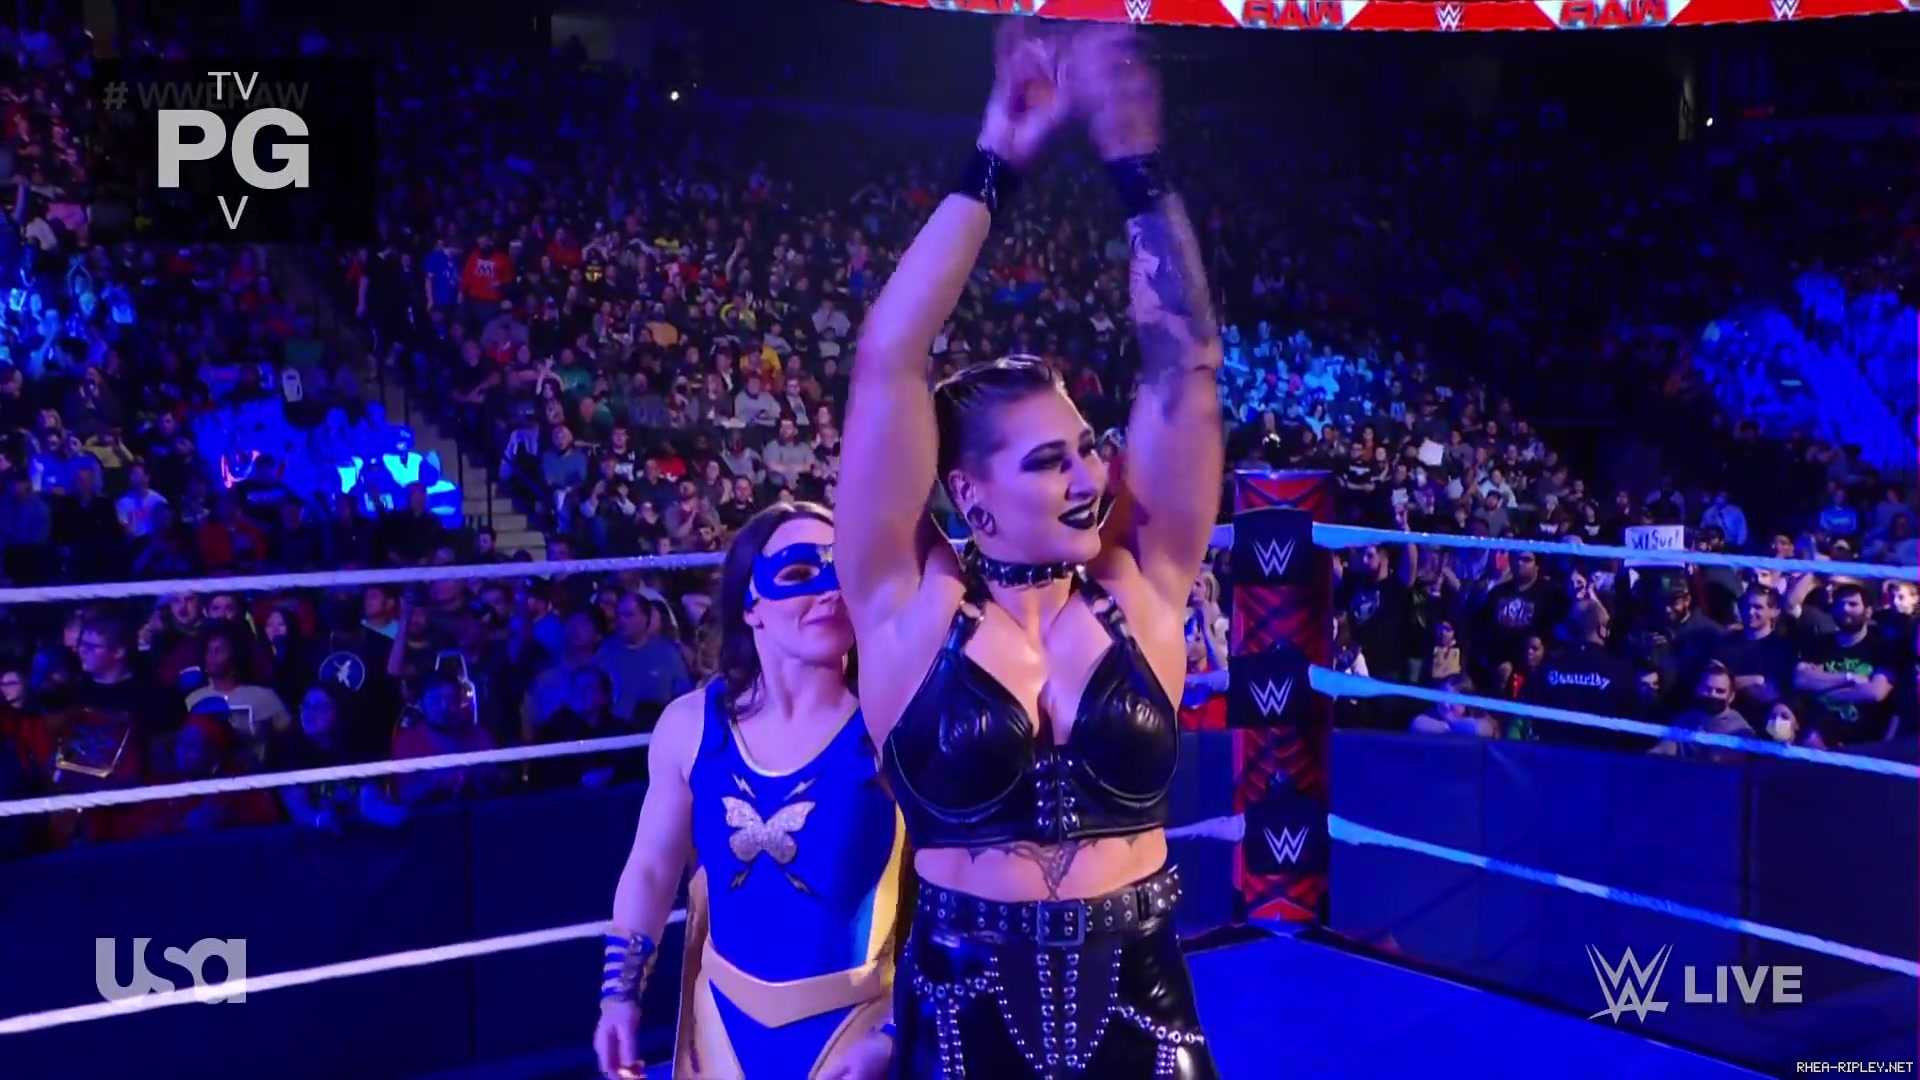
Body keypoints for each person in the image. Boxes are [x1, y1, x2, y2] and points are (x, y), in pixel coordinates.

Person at [838, 24, 1222, 1078]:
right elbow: (889, 359)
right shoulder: (905, 604)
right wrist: (993, 161)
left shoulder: (1142, 582)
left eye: (1088, 448)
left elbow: (1185, 365)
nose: (1091, 474)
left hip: (1145, 998)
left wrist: (1137, 166)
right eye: (1050, 461)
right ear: (969, 493)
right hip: (964, 1011)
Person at [594, 503, 903, 1080]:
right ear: (751, 603)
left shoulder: (893, 725)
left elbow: (951, 892)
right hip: (720, 1030)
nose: (830, 590)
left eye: (844, 570)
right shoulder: (690, 726)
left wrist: (895, 1029)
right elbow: (652, 869)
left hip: (853, 1035)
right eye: (798, 572)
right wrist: (618, 996)